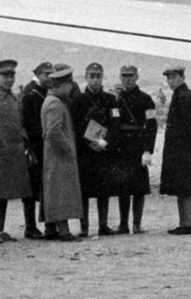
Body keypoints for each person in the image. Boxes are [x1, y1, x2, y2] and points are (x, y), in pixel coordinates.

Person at [0, 59, 31, 243]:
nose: (9, 79)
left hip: (13, 153)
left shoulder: (14, 97)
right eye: (5, 76)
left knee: (5, 193)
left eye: (12, 76)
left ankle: (0, 231)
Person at [70, 63, 117, 237]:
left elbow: (115, 125)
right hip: (85, 152)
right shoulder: (78, 101)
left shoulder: (111, 100)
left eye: (98, 76)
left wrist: (106, 142)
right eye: (91, 76)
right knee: (84, 191)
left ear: (102, 77)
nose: (95, 79)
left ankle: (103, 225)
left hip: (104, 151)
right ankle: (84, 227)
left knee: (103, 191)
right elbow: (74, 127)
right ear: (86, 78)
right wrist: (86, 144)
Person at [157, 65, 191, 235]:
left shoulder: (183, 96)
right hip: (183, 149)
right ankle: (187, 222)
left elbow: (189, 124)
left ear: (182, 77)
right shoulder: (182, 94)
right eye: (168, 78)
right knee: (184, 186)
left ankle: (190, 223)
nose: (170, 81)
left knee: (186, 186)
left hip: (183, 149)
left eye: (173, 77)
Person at [40, 65, 84, 240]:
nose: (70, 88)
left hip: (53, 155)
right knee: (61, 192)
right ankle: (64, 230)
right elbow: (53, 131)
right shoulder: (56, 104)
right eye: (68, 85)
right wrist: (69, 147)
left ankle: (51, 228)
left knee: (53, 191)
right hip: (59, 156)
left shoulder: (49, 101)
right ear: (61, 85)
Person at [113, 65, 155, 234]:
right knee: (123, 187)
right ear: (120, 77)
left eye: (130, 76)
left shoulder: (146, 99)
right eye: (124, 76)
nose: (127, 79)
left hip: (138, 145)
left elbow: (151, 126)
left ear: (137, 77)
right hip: (122, 147)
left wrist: (147, 150)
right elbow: (114, 124)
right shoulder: (116, 99)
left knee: (139, 187)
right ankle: (123, 224)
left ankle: (137, 224)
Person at [19, 61, 52, 239]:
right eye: (45, 74)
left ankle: (49, 225)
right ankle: (30, 226)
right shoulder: (30, 96)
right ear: (38, 75)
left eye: (50, 74)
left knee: (48, 187)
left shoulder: (51, 94)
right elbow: (29, 123)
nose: (48, 77)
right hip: (35, 147)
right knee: (31, 189)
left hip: (47, 147)